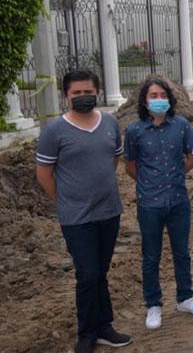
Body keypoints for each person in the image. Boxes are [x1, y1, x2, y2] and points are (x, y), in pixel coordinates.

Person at [36, 70, 132, 353]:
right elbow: (44, 174)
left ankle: (105, 327)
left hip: (109, 212)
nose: (83, 97)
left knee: (100, 272)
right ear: (66, 96)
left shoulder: (110, 123)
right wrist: (64, 201)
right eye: (76, 93)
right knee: (87, 274)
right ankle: (87, 333)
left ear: (97, 92)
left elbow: (113, 159)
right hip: (77, 218)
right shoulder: (54, 131)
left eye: (87, 92)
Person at [124, 77, 193, 330]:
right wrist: (150, 182)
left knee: (182, 252)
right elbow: (130, 166)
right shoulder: (134, 130)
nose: (158, 100)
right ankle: (153, 305)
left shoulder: (181, 126)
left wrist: (176, 174)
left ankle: (185, 297)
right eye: (153, 96)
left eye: (162, 96)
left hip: (178, 200)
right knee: (151, 256)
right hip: (149, 203)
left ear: (170, 100)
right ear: (144, 100)